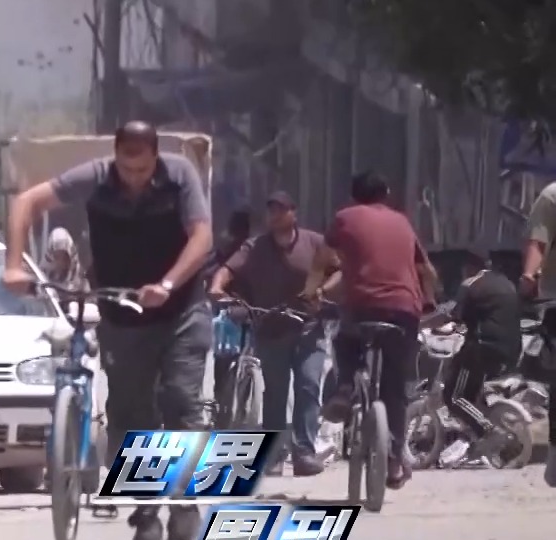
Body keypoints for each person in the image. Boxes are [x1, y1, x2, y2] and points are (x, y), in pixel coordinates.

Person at [4, 121, 215, 540]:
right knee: (129, 412)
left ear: (155, 157)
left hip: (181, 309)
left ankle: (184, 502)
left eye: (142, 169)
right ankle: (146, 511)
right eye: (125, 167)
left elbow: (202, 236)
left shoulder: (179, 175)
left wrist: (168, 284)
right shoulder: (95, 176)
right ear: (115, 157)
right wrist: (13, 265)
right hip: (121, 312)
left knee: (180, 400)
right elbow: (27, 201)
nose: (133, 178)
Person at [304, 170, 438, 492]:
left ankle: (345, 386)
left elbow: (322, 260)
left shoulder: (345, 218)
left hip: (362, 306)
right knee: (396, 388)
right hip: (404, 310)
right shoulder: (402, 222)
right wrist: (429, 302)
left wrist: (310, 292)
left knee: (345, 337)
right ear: (386, 193)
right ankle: (394, 463)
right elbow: (427, 270)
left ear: (353, 196)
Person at [209, 192, 329, 476]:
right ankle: (274, 456)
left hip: (308, 327)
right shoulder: (255, 247)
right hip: (271, 328)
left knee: (309, 385)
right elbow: (227, 269)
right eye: (271, 210)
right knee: (275, 392)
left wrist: (324, 292)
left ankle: (304, 453)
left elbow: (339, 269)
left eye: (281, 210)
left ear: (293, 213)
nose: (275, 216)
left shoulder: (315, 243)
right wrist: (217, 286)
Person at [441, 250, 521, 463]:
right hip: (512, 349)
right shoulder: (507, 283)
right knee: (472, 393)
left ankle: (489, 431)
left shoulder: (471, 283)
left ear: (468, 267)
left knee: (454, 396)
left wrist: (426, 323)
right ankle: (482, 439)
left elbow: (453, 315)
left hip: (482, 347)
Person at [518, 178, 556, 486]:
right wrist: (530, 275)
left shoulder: (552, 195)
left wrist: (529, 277)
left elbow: (538, 241)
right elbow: (539, 241)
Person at [43, 227, 86, 292]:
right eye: (57, 256)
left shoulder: (80, 279)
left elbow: (87, 294)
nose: (60, 261)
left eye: (64, 256)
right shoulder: (42, 274)